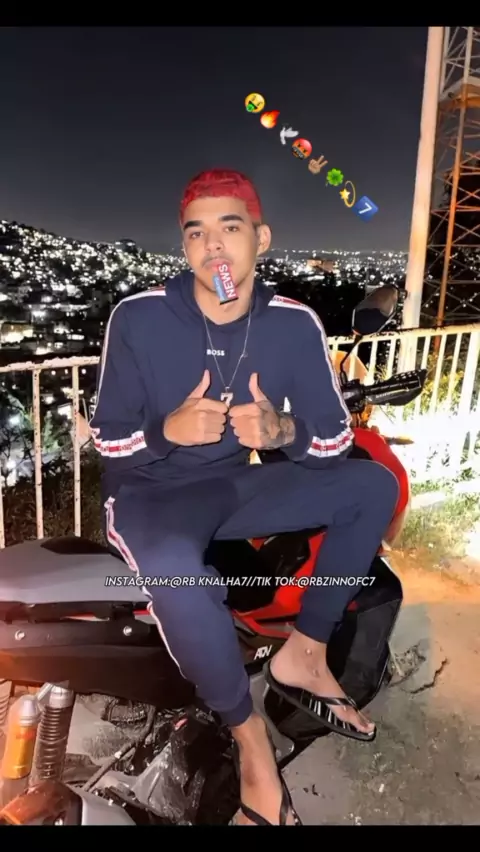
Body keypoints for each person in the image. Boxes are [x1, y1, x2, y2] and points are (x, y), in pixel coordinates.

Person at [89, 169, 399, 826]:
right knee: (179, 572)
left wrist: (284, 432)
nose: (213, 246)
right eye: (196, 232)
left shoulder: (292, 325)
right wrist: (166, 432)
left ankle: (305, 653)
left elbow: (335, 439)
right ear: (184, 246)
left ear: (261, 238)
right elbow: (108, 443)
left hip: (229, 485)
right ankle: (249, 736)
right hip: (148, 494)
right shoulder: (139, 317)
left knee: (372, 485)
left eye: (229, 227)